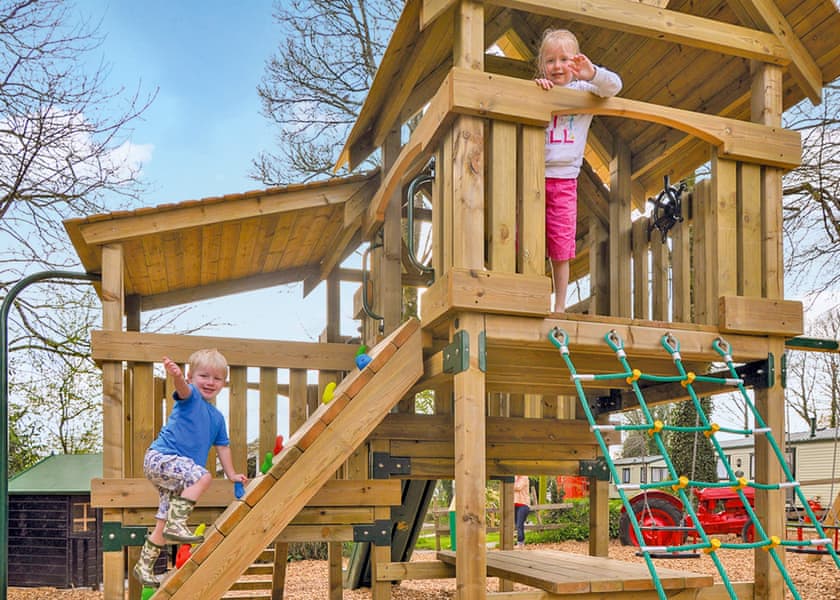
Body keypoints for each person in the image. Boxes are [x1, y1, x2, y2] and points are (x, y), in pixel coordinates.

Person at [133, 349, 248, 587]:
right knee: (202, 476)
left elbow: (223, 447)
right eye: (203, 376)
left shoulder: (217, 418)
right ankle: (178, 523)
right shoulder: (191, 396)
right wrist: (175, 376)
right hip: (161, 459)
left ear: (224, 383)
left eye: (217, 378)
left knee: (162, 523)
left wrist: (231, 474)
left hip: (175, 474)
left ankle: (144, 568)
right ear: (191, 377)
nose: (210, 382)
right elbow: (183, 390)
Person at [535, 29, 622, 312]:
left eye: (564, 59)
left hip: (564, 181)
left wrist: (592, 73)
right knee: (527, 239)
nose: (557, 66)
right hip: (532, 178)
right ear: (542, 65)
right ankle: (529, 296)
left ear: (576, 62)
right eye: (550, 61)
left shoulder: (585, 91)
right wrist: (536, 89)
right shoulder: (539, 90)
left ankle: (559, 306)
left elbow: (614, 87)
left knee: (560, 247)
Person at [513, 475, 531, 549]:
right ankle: (520, 544)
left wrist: (510, 482)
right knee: (517, 525)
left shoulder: (524, 477)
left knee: (519, 524)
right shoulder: (515, 477)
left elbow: (518, 487)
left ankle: (520, 543)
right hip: (515, 504)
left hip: (523, 505)